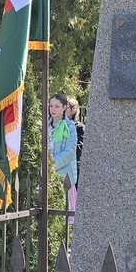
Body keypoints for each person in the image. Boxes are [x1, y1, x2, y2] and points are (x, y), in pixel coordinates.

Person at [48, 93, 78, 221]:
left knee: (62, 219)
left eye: (57, 106)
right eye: (51, 106)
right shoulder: (44, 125)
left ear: (64, 107)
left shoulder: (70, 127)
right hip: (47, 177)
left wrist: (50, 166)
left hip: (64, 176)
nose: (53, 109)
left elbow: (69, 152)